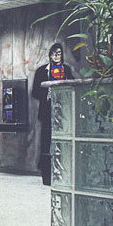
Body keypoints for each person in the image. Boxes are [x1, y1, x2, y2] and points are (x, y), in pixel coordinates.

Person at [31, 43, 74, 185]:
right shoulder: (41, 71)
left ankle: (64, 170)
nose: (56, 56)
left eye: (59, 53)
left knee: (63, 139)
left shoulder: (66, 70)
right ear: (50, 55)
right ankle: (46, 174)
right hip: (47, 111)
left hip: (64, 110)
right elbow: (35, 92)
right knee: (46, 142)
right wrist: (47, 93)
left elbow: (73, 86)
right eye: (54, 53)